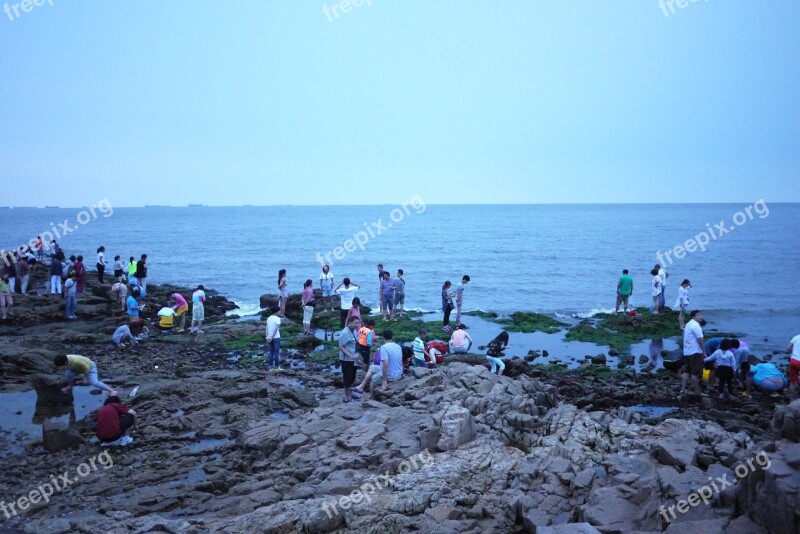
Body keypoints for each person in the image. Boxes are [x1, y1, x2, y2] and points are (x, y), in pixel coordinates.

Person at [353, 329, 404, 397]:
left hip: (391, 376)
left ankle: (372, 399)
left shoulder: (384, 348)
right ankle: (361, 387)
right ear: (392, 336)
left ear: (383, 337)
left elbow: (386, 365)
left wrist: (384, 380)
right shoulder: (398, 346)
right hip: (398, 373)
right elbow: (400, 361)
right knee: (372, 367)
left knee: (373, 379)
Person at [680, 310, 705, 395]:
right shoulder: (696, 326)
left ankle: (682, 390)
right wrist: (704, 352)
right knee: (695, 374)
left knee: (686, 372)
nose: (701, 316)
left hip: (687, 352)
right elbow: (700, 340)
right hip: (695, 352)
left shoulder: (688, 324)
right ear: (693, 317)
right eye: (698, 315)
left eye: (701, 315)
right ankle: (697, 392)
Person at [339, 316, 363, 403]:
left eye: (358, 323)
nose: (357, 325)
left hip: (354, 359)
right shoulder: (345, 333)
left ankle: (351, 394)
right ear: (350, 322)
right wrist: (350, 355)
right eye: (355, 323)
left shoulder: (354, 331)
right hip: (347, 360)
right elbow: (341, 347)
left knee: (352, 377)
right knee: (347, 378)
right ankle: (347, 397)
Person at [266, 305, 282, 370]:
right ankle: (277, 367)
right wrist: (272, 337)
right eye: (279, 310)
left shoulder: (269, 318)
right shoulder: (278, 319)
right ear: (276, 311)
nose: (280, 312)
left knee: (271, 352)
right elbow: (276, 329)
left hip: (269, 338)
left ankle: (270, 367)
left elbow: (267, 328)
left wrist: (267, 337)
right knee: (276, 353)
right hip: (276, 338)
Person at [787, 333, 800, 397]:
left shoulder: (796, 337)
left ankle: (791, 399)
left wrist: (794, 352)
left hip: (793, 360)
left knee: (792, 381)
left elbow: (788, 348)